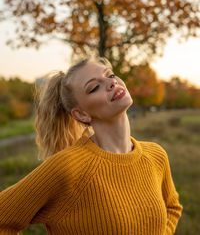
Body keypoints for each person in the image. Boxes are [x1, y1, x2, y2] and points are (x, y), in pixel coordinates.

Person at [0, 57, 183, 235]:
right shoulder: (68, 168)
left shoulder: (156, 155)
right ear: (81, 115)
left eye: (110, 75)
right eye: (94, 87)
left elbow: (172, 207)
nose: (112, 83)